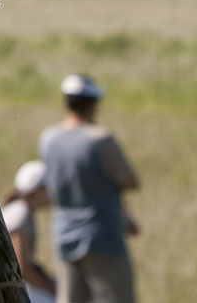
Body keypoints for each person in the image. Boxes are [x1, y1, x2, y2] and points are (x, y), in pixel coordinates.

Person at [38, 74, 140, 303]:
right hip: (103, 236)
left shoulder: (49, 139)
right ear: (93, 104)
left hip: (64, 236)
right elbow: (130, 180)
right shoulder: (101, 139)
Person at [1, 160, 56, 303]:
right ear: (38, 190)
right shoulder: (20, 216)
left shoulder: (18, 210)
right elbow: (22, 269)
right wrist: (53, 290)